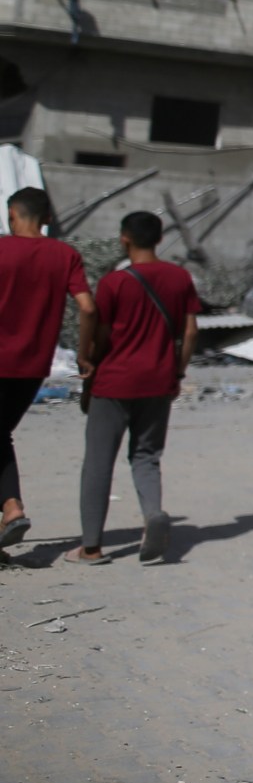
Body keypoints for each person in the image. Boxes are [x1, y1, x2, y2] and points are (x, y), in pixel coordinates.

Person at [68, 211, 199, 565]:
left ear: (124, 238)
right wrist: (178, 373)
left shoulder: (115, 282)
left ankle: (92, 548)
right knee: (146, 456)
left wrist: (88, 364)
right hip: (158, 381)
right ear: (158, 239)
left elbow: (102, 334)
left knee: (98, 461)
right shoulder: (180, 278)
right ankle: (153, 512)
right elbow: (189, 332)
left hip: (114, 382)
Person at [0, 187, 92, 552]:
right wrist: (85, 356)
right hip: (33, 366)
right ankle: (11, 510)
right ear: (49, 219)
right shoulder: (65, 255)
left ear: (11, 216)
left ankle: (12, 507)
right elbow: (87, 307)